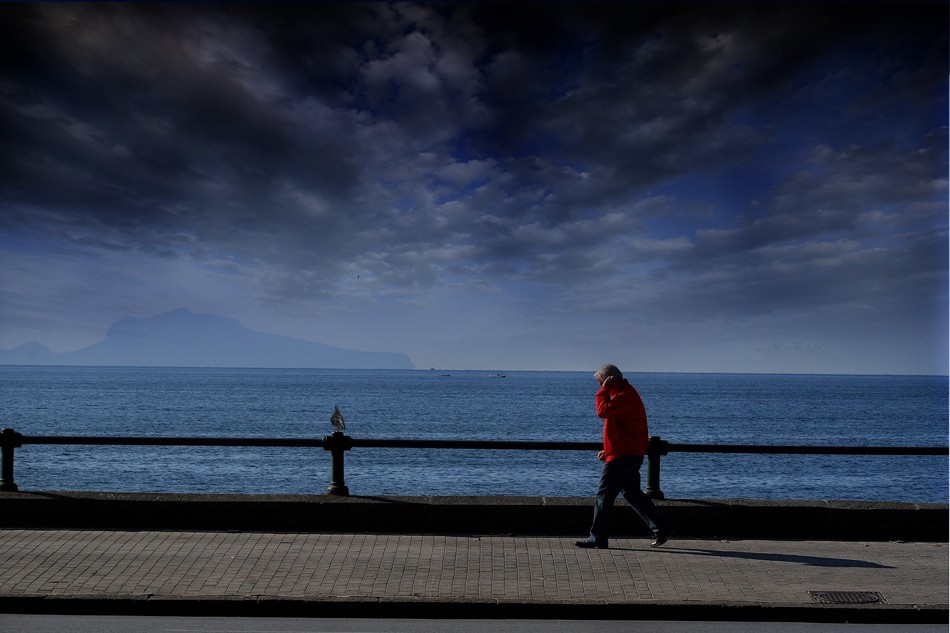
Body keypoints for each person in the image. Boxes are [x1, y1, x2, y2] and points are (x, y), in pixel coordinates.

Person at [575, 364, 674, 549]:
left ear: (610, 380)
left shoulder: (624, 396)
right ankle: (662, 527)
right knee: (632, 493)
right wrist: (609, 450)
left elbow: (602, 411)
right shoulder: (626, 396)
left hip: (622, 457)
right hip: (628, 453)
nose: (600, 387)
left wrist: (603, 390)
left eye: (601, 383)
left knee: (603, 496)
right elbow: (623, 429)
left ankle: (597, 537)